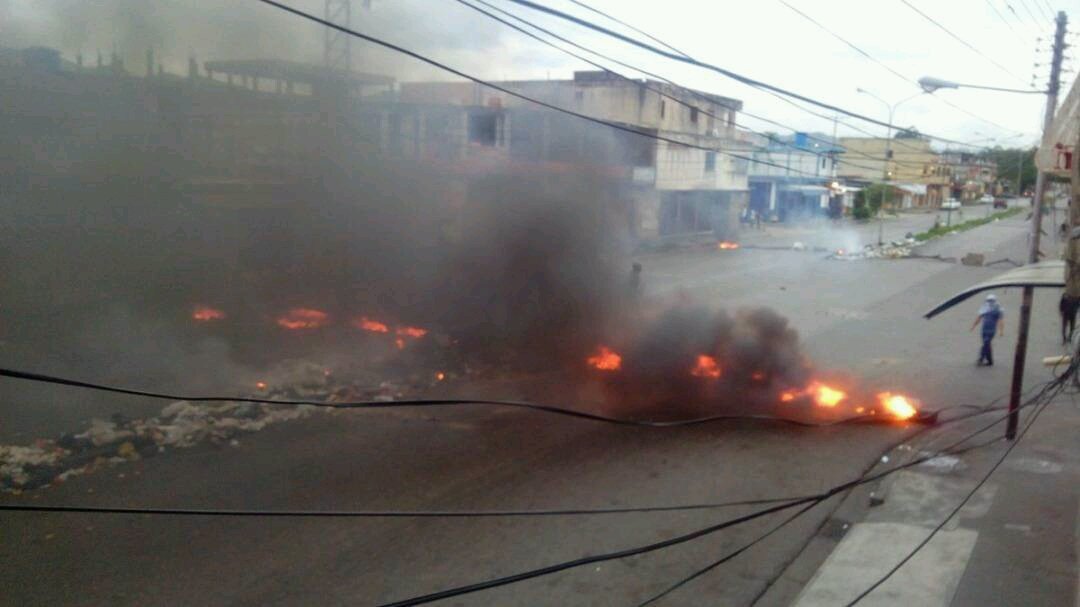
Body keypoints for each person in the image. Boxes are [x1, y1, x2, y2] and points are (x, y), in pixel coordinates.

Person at [970, 294, 1004, 366]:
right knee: (987, 344)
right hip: (984, 329)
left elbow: (1000, 321)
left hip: (991, 330)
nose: (990, 302)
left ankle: (981, 359)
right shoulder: (984, 308)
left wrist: (1001, 331)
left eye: (991, 301)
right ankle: (990, 361)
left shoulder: (998, 309)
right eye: (989, 300)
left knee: (986, 343)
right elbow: (979, 318)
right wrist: (973, 326)